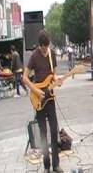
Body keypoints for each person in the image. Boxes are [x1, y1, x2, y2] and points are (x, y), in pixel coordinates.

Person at [22, 30, 64, 173]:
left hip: (50, 98)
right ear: (39, 45)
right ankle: (46, 166)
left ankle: (56, 164)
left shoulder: (52, 54)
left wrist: (57, 81)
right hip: (39, 98)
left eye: (47, 47)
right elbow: (24, 77)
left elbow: (55, 73)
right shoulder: (34, 56)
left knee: (54, 131)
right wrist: (35, 89)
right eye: (43, 48)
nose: (45, 50)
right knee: (43, 134)